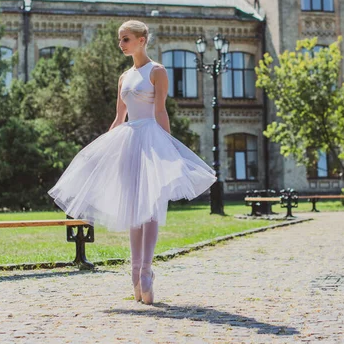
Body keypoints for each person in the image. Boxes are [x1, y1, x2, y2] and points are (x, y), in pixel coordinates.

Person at [47, 20, 217, 304]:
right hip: (127, 141)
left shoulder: (157, 71)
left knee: (150, 208)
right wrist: (102, 152)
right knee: (133, 210)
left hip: (151, 139)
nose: (121, 44)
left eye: (125, 39)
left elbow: (161, 112)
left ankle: (147, 271)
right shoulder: (124, 77)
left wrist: (168, 149)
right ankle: (135, 270)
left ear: (142, 40)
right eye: (119, 39)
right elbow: (119, 117)